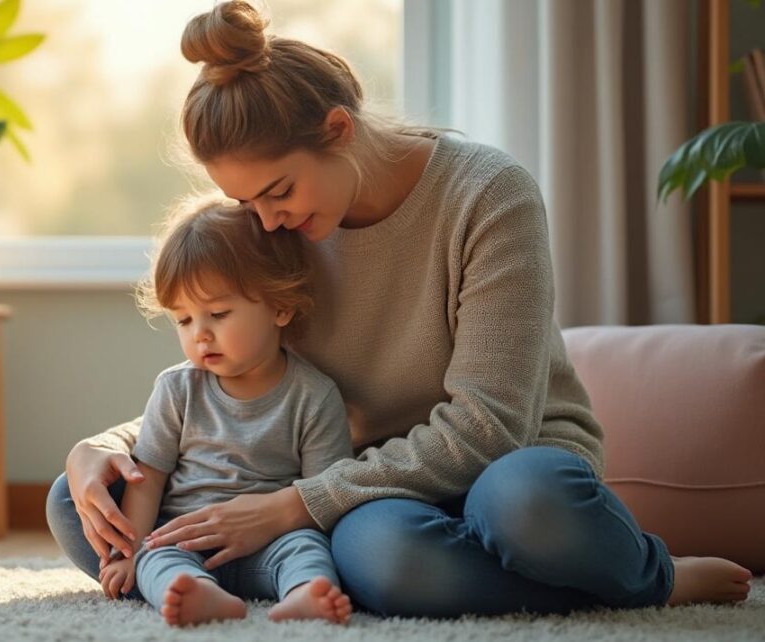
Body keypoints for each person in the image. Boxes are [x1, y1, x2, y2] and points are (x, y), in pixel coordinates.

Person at [48, 0, 753, 617]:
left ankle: (649, 577)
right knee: (86, 508)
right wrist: (106, 450)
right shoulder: (277, 230)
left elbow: (490, 424)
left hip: (507, 464)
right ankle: (598, 586)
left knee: (526, 506)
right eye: (245, 202)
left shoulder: (488, 195)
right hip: (370, 487)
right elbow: (233, 375)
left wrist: (293, 506)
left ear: (339, 130)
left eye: (277, 190)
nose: (263, 222)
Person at [96, 195, 354, 627]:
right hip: (186, 536)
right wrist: (130, 552)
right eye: (183, 320)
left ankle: (305, 593)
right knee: (155, 560)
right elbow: (147, 478)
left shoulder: (315, 395)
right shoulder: (177, 388)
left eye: (217, 313)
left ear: (280, 306)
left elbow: (324, 494)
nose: (200, 335)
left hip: (275, 538)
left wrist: (296, 538)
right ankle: (199, 595)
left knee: (308, 548)